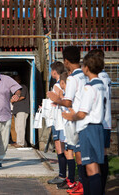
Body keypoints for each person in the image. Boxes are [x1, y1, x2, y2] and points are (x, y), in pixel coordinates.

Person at [62, 52, 105, 195]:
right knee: (96, 166)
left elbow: (82, 113)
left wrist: (69, 116)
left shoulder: (90, 87)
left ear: (86, 68)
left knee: (90, 167)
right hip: (98, 127)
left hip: (88, 128)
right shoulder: (101, 84)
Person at [47, 46, 88, 193]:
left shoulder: (72, 78)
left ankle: (81, 184)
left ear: (66, 61)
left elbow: (68, 101)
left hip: (75, 119)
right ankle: (82, 183)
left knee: (77, 153)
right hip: (86, 118)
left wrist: (55, 99)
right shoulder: (85, 75)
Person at [88, 49, 111, 194]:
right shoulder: (106, 76)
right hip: (105, 121)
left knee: (97, 158)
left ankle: (99, 188)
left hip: (99, 123)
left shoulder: (99, 78)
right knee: (102, 155)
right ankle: (100, 187)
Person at [46, 62, 68, 187]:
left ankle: (62, 176)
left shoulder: (57, 84)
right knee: (62, 147)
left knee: (60, 147)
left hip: (59, 119)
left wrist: (56, 101)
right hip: (62, 118)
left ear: (54, 71)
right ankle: (63, 175)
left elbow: (60, 98)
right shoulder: (64, 82)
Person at [11, 75, 30, 148]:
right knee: (17, 127)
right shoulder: (13, 89)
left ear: (19, 81)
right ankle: (22, 142)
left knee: (21, 127)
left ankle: (20, 143)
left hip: (22, 109)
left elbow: (22, 96)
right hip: (16, 110)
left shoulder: (22, 87)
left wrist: (13, 100)